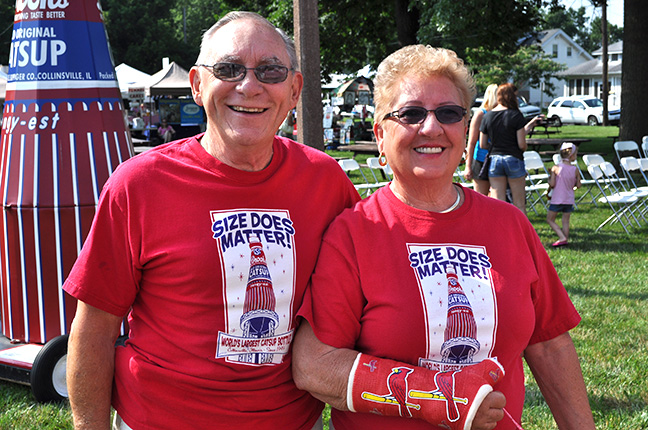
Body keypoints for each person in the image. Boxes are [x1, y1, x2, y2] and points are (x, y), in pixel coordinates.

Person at [64, 11, 359, 430]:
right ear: (198, 85)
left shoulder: (326, 182)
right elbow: (94, 328)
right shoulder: (139, 184)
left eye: (271, 70)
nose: (250, 85)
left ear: (294, 91)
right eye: (229, 69)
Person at [292, 45, 596, 430]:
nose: (432, 128)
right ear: (381, 135)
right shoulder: (354, 232)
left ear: (465, 127)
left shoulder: (509, 224)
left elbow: (550, 345)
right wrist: (441, 396)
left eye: (448, 113)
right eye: (411, 113)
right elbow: (313, 366)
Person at [479, 83, 531, 213]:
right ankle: (521, 232)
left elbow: (482, 144)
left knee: (499, 203)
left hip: (495, 159)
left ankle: (500, 232)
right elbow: (521, 145)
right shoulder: (516, 115)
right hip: (513, 158)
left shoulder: (487, 116)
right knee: (519, 203)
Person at [464, 84, 498, 195]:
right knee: (481, 195)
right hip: (480, 159)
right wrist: (468, 166)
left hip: (497, 159)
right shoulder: (481, 113)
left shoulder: (500, 114)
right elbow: (472, 142)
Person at [547, 142, 581, 247]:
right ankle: (565, 238)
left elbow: (552, 184)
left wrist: (549, 180)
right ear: (572, 155)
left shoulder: (556, 168)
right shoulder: (575, 169)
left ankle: (561, 237)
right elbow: (578, 185)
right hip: (569, 199)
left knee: (550, 219)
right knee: (565, 220)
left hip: (557, 199)